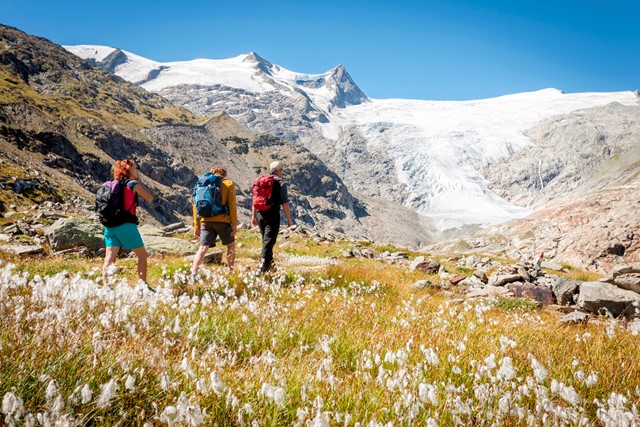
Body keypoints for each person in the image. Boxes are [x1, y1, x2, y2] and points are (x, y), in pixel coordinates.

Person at [101, 159, 154, 288]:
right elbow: (150, 198)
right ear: (129, 170)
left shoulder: (109, 184)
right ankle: (142, 285)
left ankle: (106, 287)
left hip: (109, 225)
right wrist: (138, 180)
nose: (137, 170)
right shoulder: (132, 184)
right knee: (142, 255)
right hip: (125, 224)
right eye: (135, 168)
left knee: (110, 257)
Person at [191, 165, 238, 276]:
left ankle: (193, 272)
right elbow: (232, 205)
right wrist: (234, 224)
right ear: (224, 174)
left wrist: (196, 226)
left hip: (205, 221)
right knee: (230, 246)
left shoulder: (202, 184)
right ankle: (231, 272)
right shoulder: (228, 184)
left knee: (202, 248)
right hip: (222, 220)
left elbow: (195, 207)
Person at [251, 160, 293, 273]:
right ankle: (261, 267)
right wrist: (289, 220)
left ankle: (270, 265)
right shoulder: (281, 183)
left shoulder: (261, 181)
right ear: (279, 171)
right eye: (282, 170)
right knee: (269, 240)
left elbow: (255, 200)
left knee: (266, 240)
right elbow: (285, 203)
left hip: (260, 213)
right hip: (272, 214)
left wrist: (253, 216)